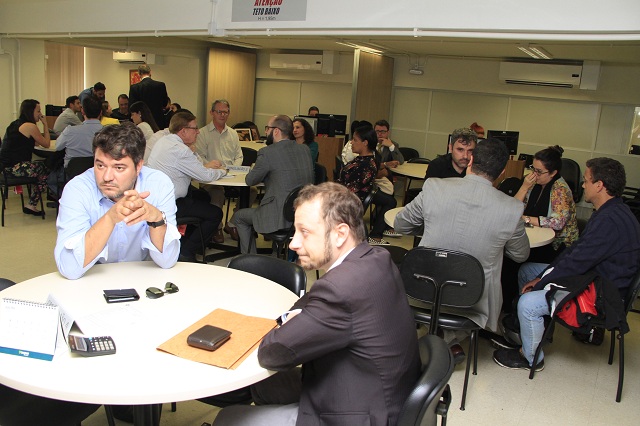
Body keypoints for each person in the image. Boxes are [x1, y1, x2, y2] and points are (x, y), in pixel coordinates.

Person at [213, 182, 420, 426]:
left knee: (228, 419)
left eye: (305, 232)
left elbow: (271, 353)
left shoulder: (340, 290)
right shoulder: (376, 257)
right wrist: (293, 317)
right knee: (266, 384)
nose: (293, 243)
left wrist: (283, 326)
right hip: (377, 391)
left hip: (356, 414)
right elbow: (314, 298)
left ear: (340, 233)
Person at [494, 157, 640, 371]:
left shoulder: (609, 221)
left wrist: (543, 281)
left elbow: (577, 263)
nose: (583, 185)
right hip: (597, 279)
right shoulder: (613, 211)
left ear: (599, 185)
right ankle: (531, 332)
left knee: (528, 303)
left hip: (601, 295)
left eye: (587, 180)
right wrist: (542, 276)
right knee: (527, 271)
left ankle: (531, 357)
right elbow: (576, 253)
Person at [395, 138, 530, 361]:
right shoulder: (512, 208)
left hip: (424, 288)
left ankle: (441, 337)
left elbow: (402, 225)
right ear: (503, 171)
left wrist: (431, 223)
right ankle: (449, 339)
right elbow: (520, 254)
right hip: (472, 298)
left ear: (471, 160)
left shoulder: (434, 187)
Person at [54, 122, 180, 280]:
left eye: (118, 168)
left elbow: (167, 261)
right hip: (91, 279)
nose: (106, 177)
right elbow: (69, 268)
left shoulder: (159, 184)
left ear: (139, 165)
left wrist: (156, 219)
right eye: (100, 165)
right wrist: (110, 218)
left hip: (143, 280)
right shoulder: (77, 189)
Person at [147, 111, 226, 262]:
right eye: (195, 128)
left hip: (155, 199)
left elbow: (194, 166)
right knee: (215, 214)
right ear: (183, 131)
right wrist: (222, 172)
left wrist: (193, 152)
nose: (198, 132)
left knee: (204, 196)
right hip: (170, 204)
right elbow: (204, 175)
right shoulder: (180, 150)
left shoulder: (164, 142)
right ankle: (186, 251)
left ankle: (186, 239)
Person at [231, 115, 314, 254]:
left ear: (276, 131)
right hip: (301, 214)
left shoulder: (267, 152)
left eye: (267, 129)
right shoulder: (304, 150)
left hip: (277, 215)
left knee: (239, 217)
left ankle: (250, 261)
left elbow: (250, 180)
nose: (265, 132)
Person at [516, 145, 579, 262]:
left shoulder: (560, 189)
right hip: (536, 234)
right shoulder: (533, 183)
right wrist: (524, 188)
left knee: (517, 260)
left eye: (539, 171)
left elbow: (558, 223)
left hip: (558, 246)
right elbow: (514, 208)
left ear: (553, 173)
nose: (534, 174)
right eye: (533, 168)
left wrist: (526, 218)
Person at [195, 99, 243, 242]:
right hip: (211, 178)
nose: (223, 115)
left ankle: (232, 223)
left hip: (232, 176)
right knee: (217, 193)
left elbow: (239, 155)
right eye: (219, 112)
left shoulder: (233, 133)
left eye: (226, 112)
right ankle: (217, 227)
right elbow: (200, 157)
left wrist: (235, 170)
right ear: (212, 113)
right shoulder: (202, 133)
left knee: (251, 191)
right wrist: (211, 166)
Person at [0, 99, 51, 216]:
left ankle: (32, 203)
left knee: (41, 167)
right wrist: (45, 125)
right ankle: (33, 203)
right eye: (38, 111)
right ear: (30, 111)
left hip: (6, 168)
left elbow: (36, 143)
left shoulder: (16, 124)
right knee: (48, 167)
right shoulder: (30, 126)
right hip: (14, 168)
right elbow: (46, 143)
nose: (40, 114)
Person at [55, 95, 103, 167]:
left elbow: (57, 147)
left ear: (82, 111)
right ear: (101, 112)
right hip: (97, 173)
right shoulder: (108, 133)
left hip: (72, 174)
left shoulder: (69, 131)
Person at [128, 64, 169, 129]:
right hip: (158, 120)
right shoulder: (161, 85)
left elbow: (132, 107)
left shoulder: (134, 88)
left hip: (143, 121)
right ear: (150, 72)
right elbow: (165, 103)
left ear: (139, 74)